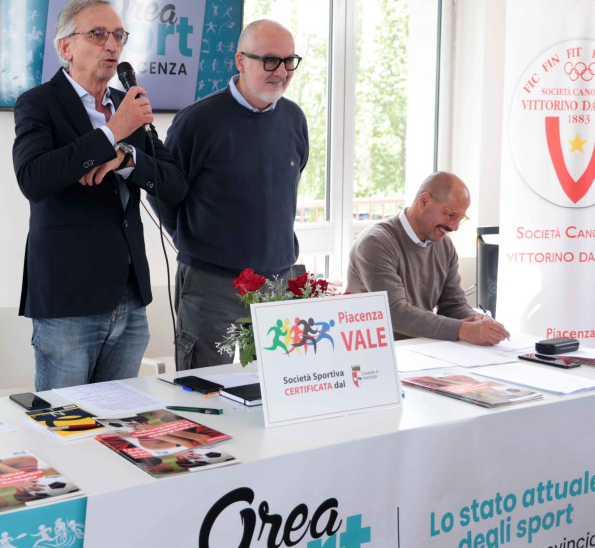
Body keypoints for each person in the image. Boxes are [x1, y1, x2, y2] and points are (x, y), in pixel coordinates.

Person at [12, 0, 187, 391]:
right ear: (66, 47)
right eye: (98, 34)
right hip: (68, 298)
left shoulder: (128, 104)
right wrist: (111, 133)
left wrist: (127, 158)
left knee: (119, 418)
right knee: (66, 419)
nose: (112, 45)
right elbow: (33, 179)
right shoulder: (39, 103)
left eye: (119, 35)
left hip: (130, 294)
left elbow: (174, 184)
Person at [155, 19, 309, 370]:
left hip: (277, 282)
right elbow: (163, 192)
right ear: (241, 61)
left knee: (279, 384)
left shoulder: (294, 118)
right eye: (270, 60)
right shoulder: (198, 120)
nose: (281, 71)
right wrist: (194, 241)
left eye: (289, 61)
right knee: (204, 386)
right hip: (212, 284)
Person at [346, 171, 510, 344]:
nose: (455, 227)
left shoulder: (444, 245)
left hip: (422, 348)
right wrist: (462, 329)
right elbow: (395, 313)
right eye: (450, 214)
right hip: (377, 352)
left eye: (460, 218)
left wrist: (477, 320)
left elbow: (453, 305)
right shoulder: (376, 242)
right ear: (424, 201)